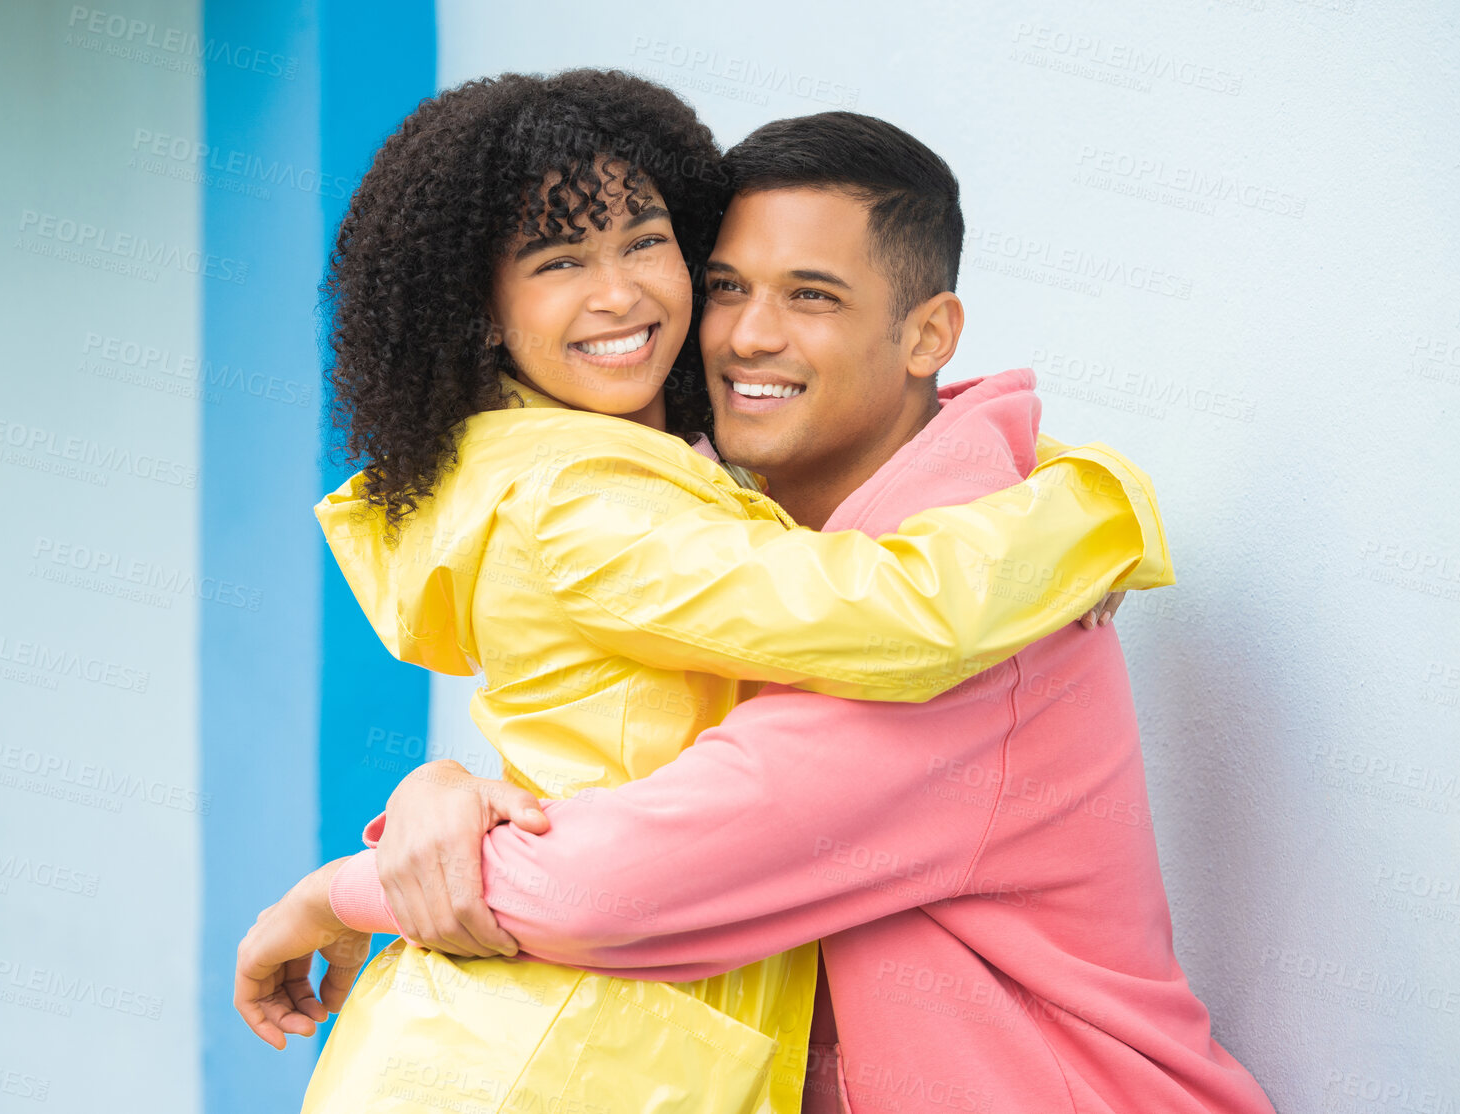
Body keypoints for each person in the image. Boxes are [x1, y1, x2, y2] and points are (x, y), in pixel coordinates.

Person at [245, 112, 1276, 1113]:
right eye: (728, 287)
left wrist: (344, 887)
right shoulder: (723, 542)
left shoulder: (976, 619)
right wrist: (448, 790)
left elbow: (621, 883)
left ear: (926, 334)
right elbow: (649, 755)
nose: (745, 335)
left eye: (811, 296)